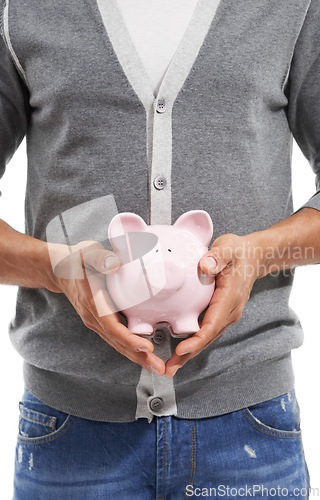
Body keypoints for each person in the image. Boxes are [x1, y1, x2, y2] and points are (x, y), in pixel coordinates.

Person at [1, 0, 319, 497]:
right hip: (69, 428)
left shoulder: (293, 8)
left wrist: (263, 254)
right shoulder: (19, 10)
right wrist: (55, 268)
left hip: (251, 421)